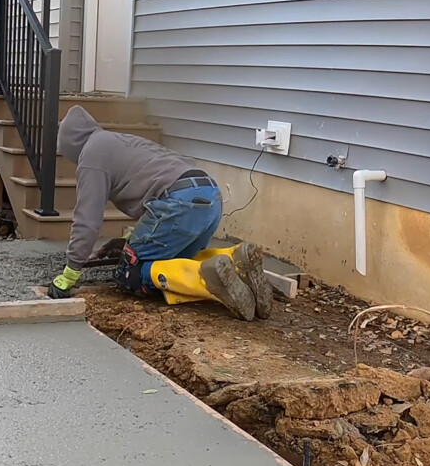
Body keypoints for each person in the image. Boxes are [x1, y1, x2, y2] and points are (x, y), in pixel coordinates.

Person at [46, 106, 273, 321]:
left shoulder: (91, 156)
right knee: (175, 263)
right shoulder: (119, 141)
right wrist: (129, 241)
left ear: (72, 147)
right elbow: (156, 185)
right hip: (208, 195)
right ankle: (236, 261)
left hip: (179, 203)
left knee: (129, 273)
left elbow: (87, 220)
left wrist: (71, 272)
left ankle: (208, 281)